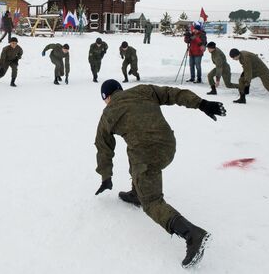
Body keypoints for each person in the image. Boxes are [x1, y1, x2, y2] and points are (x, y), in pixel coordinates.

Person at [94, 79, 226, 268]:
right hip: (168, 145)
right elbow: (173, 93)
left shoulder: (108, 114)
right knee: (134, 149)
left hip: (148, 156)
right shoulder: (143, 90)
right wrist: (202, 104)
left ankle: (192, 235)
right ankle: (135, 193)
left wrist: (106, 177)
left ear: (105, 97)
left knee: (153, 202)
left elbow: (103, 148)